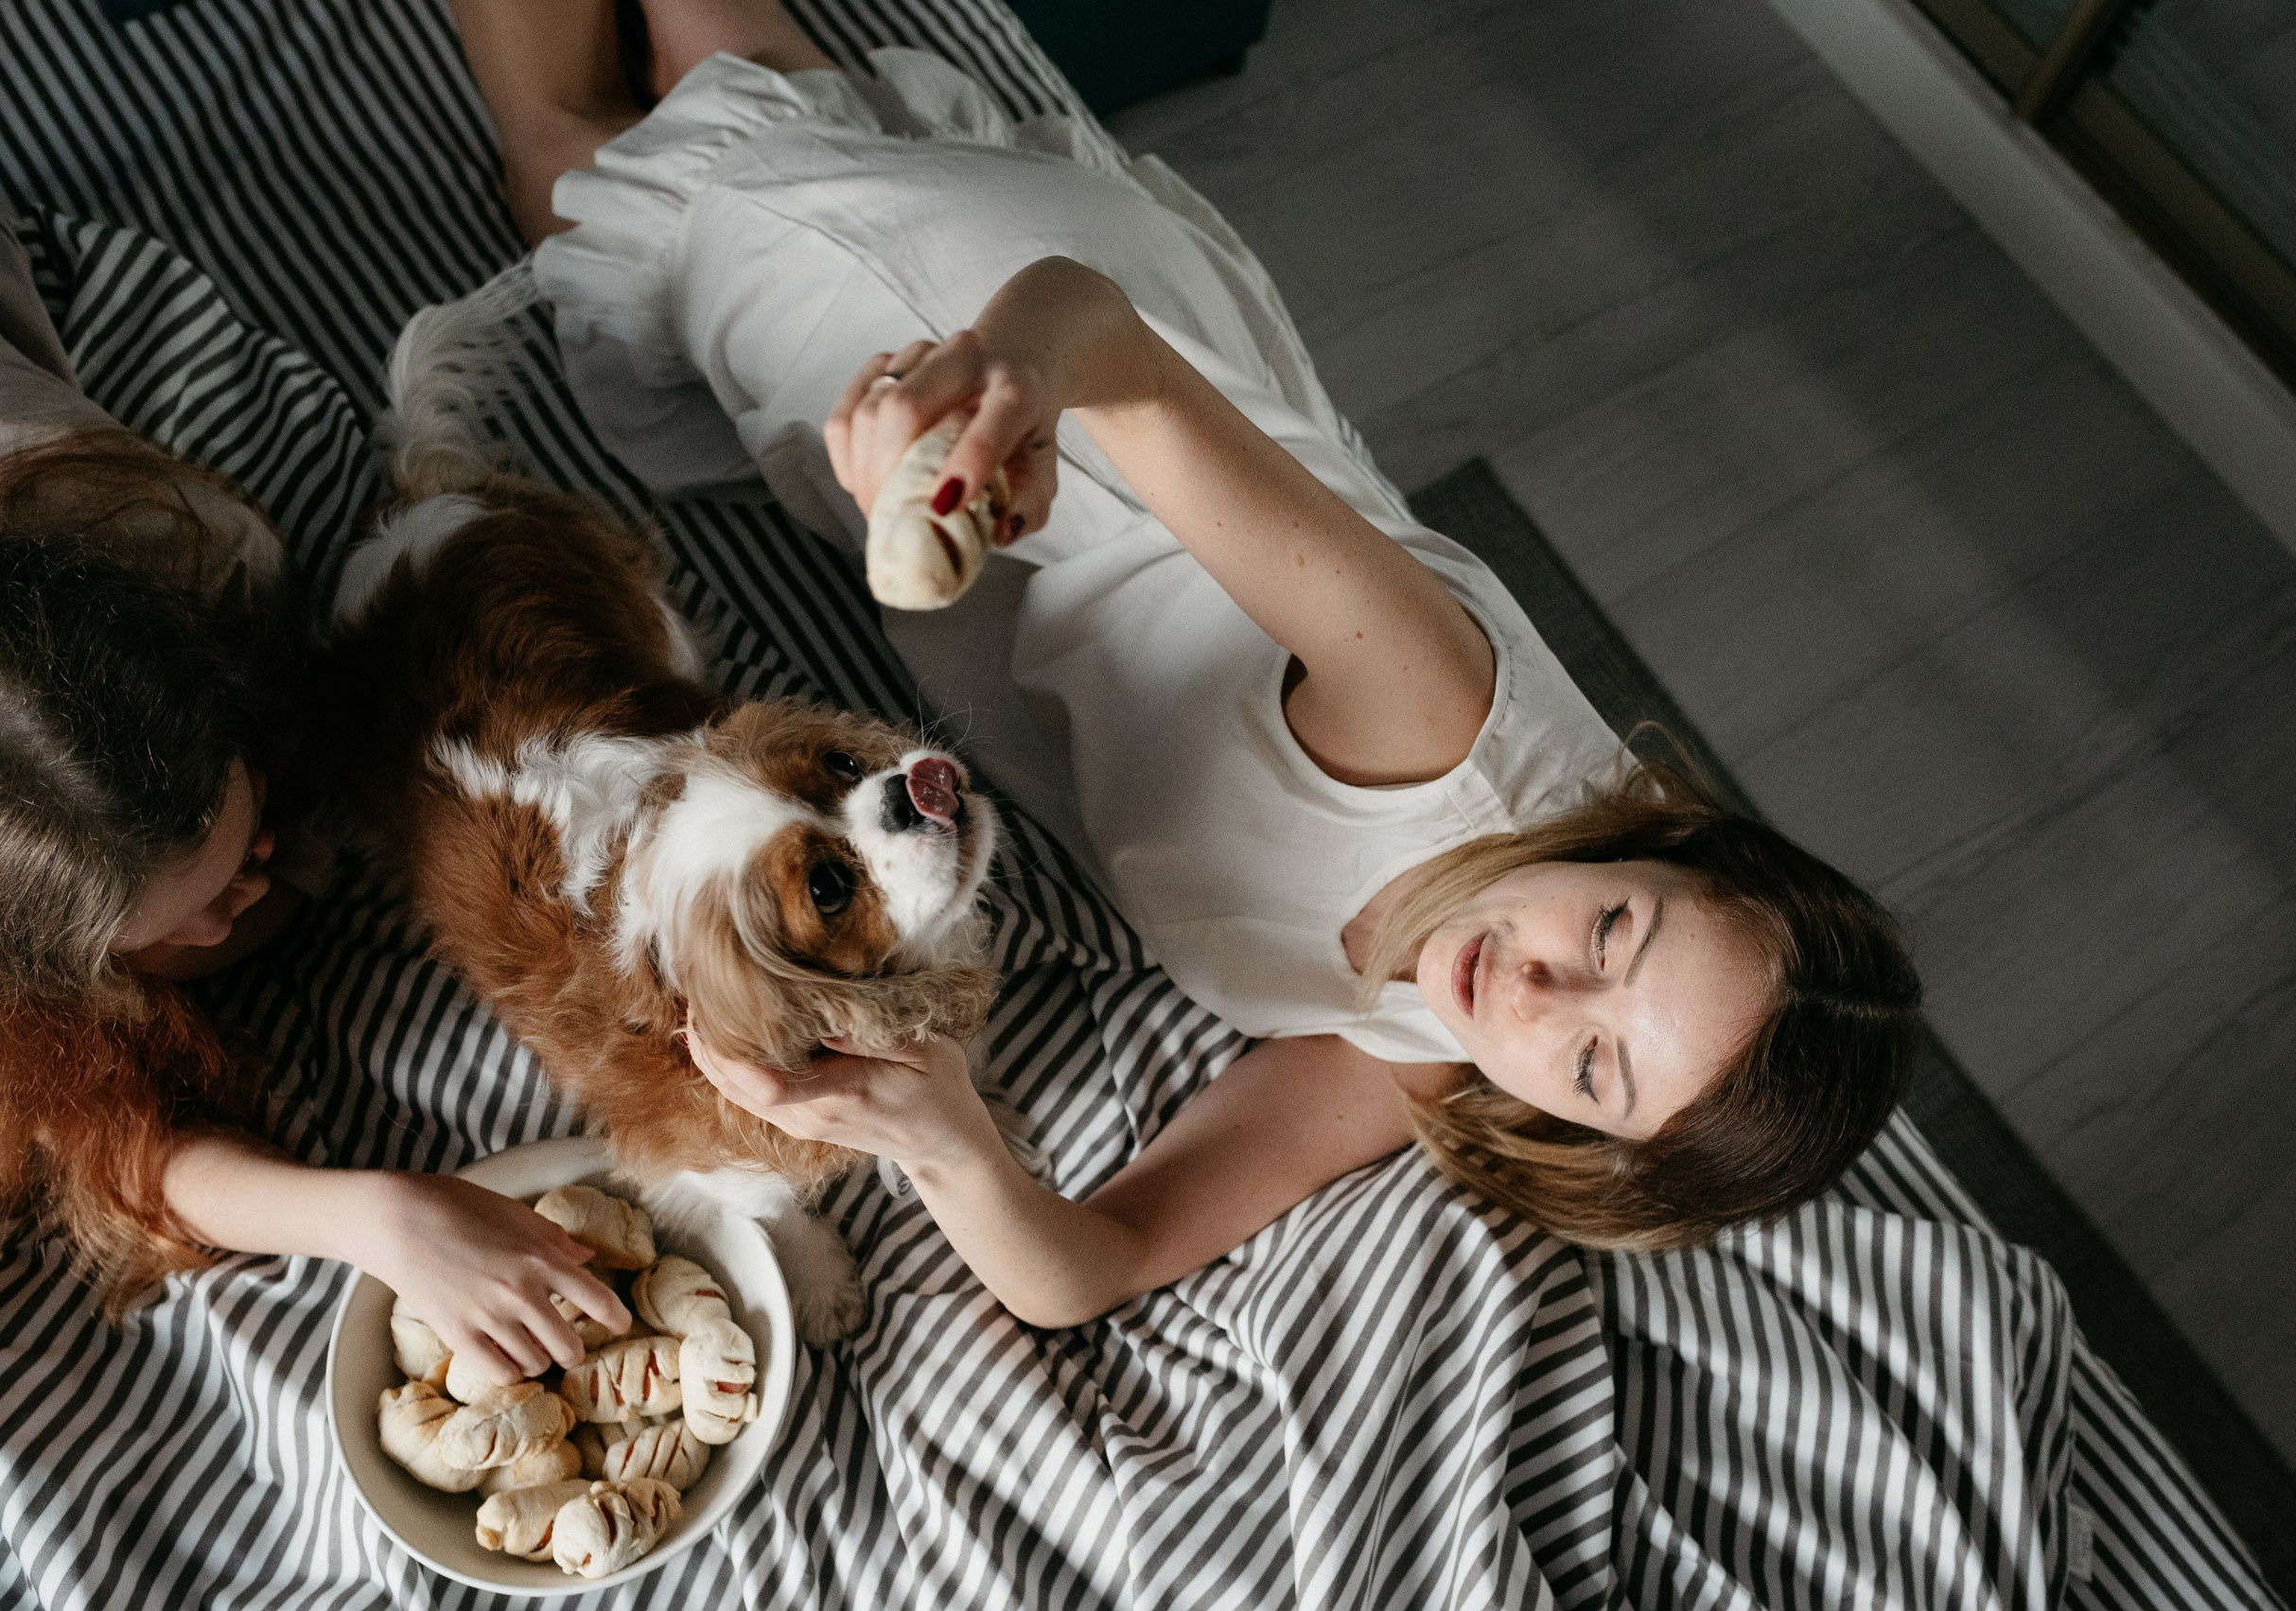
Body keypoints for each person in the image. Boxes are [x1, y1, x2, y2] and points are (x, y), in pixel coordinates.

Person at [450, 0, 1923, 1328]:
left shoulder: (1433, 1044)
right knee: (569, 172)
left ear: (1585, 1135)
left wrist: (941, 1131)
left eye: (1597, 1066)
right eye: (1612, 932)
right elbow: (1106, 338)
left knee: (739, 71)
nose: (1536, 988)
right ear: (1659, 836)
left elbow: (1094, 1263)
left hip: (1035, 538)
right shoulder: (1436, 705)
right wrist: (1002, 383)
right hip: (1060, 393)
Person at [0, 203, 630, 1383]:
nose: (251, 899)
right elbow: (94, 1136)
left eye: (246, 837)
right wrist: (371, 1214)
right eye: (173, 918)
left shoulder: (202, 553)